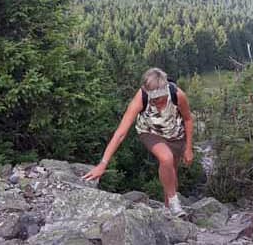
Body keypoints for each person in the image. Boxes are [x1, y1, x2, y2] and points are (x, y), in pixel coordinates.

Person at [82, 67, 194, 217]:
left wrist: (188, 148)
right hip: (150, 132)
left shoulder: (177, 95)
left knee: (171, 171)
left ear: (166, 89)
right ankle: (174, 203)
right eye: (154, 99)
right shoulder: (141, 97)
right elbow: (120, 133)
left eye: (161, 98)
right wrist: (103, 164)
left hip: (175, 135)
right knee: (165, 158)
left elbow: (188, 119)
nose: (158, 102)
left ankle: (169, 210)